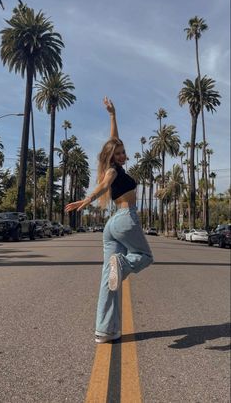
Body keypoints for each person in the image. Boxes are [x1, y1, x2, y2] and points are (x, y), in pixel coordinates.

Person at [65, 97, 154, 343]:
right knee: (146, 257)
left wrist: (112, 115)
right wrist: (86, 200)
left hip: (112, 225)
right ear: (112, 157)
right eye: (120, 153)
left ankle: (104, 330)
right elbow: (103, 186)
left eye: (124, 152)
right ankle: (123, 265)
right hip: (125, 218)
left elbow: (113, 140)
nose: (124, 155)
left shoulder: (113, 164)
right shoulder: (113, 171)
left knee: (108, 280)